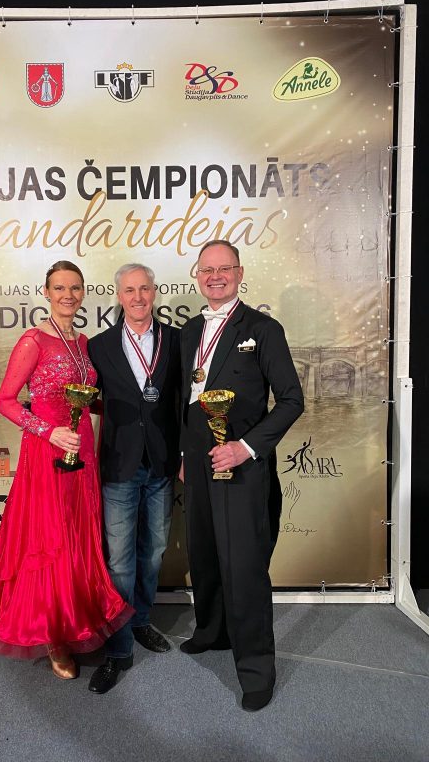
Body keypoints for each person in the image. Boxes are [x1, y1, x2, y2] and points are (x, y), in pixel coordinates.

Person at [0, 260, 133, 679]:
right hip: (47, 451)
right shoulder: (33, 340)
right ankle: (54, 634)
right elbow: (5, 401)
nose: (68, 295)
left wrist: (127, 407)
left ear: (83, 292)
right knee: (50, 538)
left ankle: (76, 618)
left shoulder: (83, 341)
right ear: (47, 293)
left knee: (77, 536)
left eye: (75, 288)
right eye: (60, 288)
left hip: (82, 450)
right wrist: (48, 431)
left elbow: (84, 399)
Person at [179, 240, 304, 711]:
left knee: (245, 566)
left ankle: (255, 671)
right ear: (197, 275)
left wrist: (245, 448)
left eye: (224, 269)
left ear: (239, 273)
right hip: (198, 459)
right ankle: (212, 631)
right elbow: (184, 398)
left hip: (241, 461)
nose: (215, 276)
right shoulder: (190, 330)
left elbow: (291, 400)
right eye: (207, 269)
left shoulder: (263, 329)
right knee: (204, 553)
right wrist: (183, 453)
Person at [86, 263, 181, 694]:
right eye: (129, 290)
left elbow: (184, 400)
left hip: (162, 463)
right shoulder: (99, 346)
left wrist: (183, 454)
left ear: (154, 292)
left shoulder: (176, 340)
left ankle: (141, 620)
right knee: (120, 561)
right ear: (119, 295)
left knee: (155, 551)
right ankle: (118, 647)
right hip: (119, 465)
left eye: (144, 289)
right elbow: (86, 399)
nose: (138, 297)